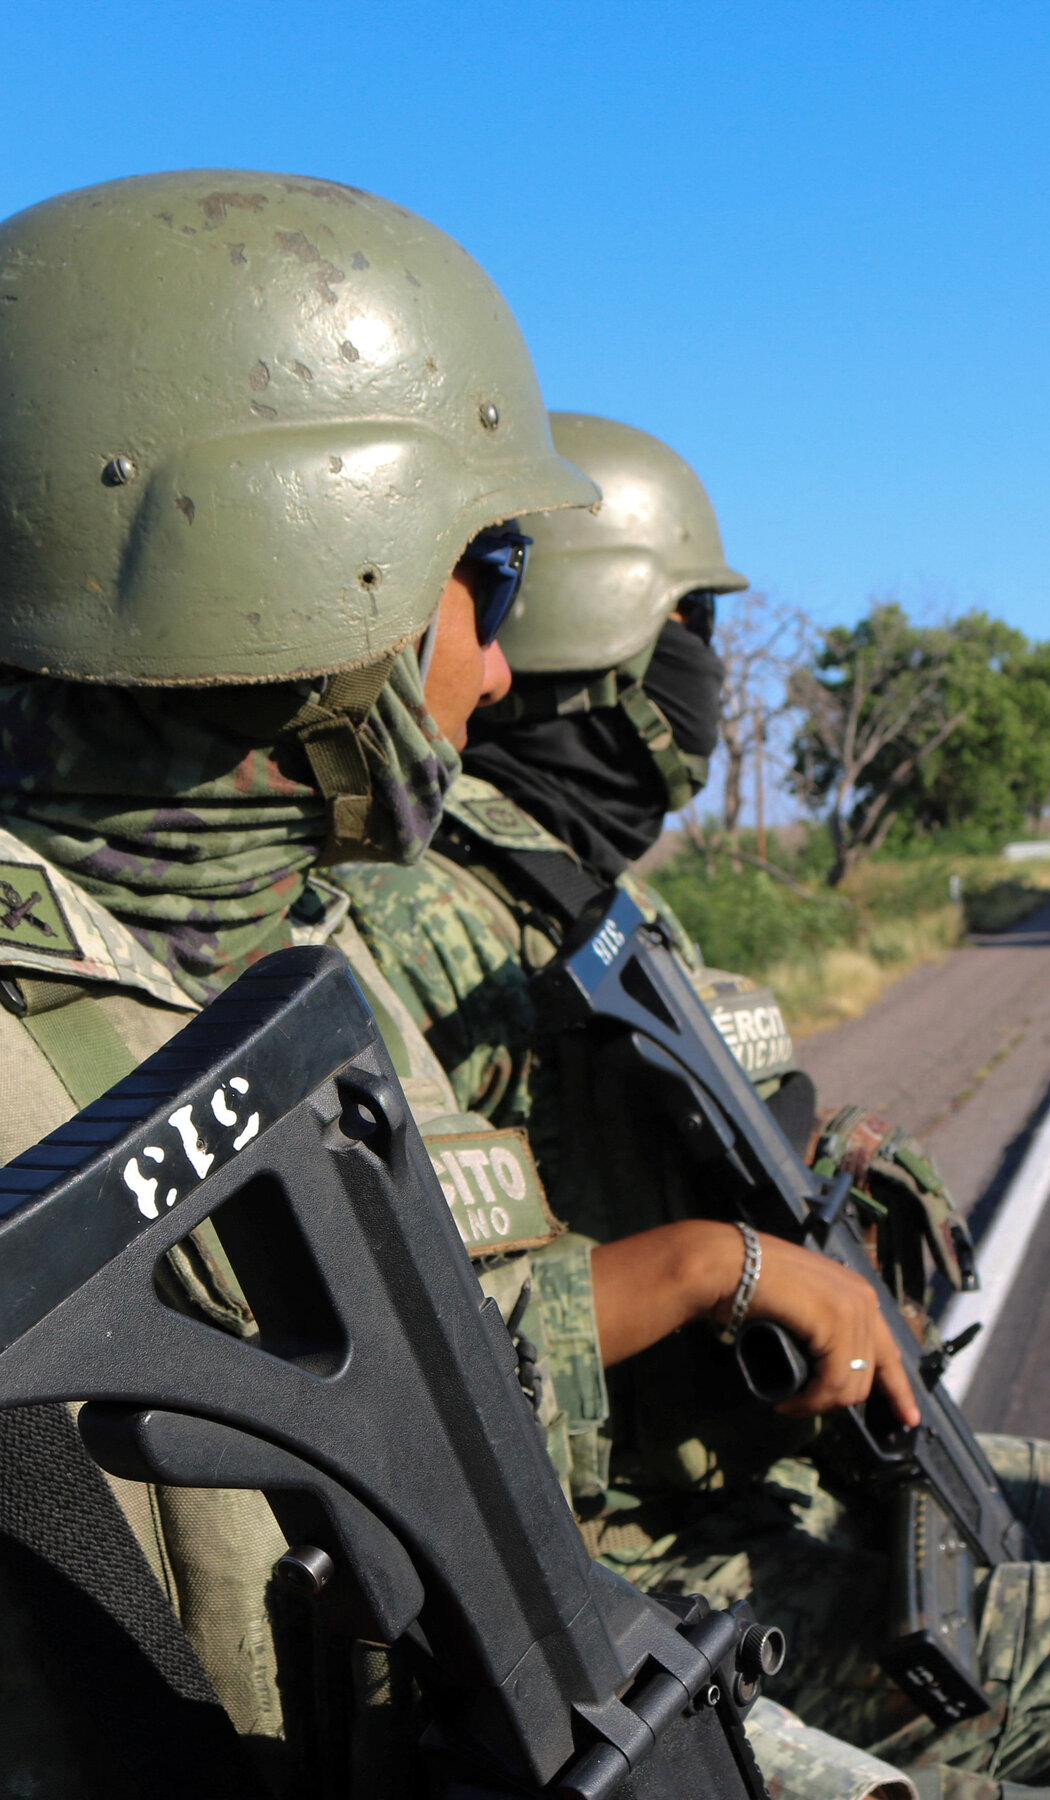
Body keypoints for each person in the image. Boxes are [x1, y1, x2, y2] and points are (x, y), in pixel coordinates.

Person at [342, 415, 1050, 1800]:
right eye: (694, 628)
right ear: (617, 640)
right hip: (638, 1554)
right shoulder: (407, 921)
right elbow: (435, 1361)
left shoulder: (587, 896)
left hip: (767, 1460)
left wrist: (849, 1196)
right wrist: (743, 1273)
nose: (709, 681)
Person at [0, 171, 913, 1800]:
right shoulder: (55, 1046)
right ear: (300, 562)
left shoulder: (268, 965)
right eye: (483, 577)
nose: (502, 662)